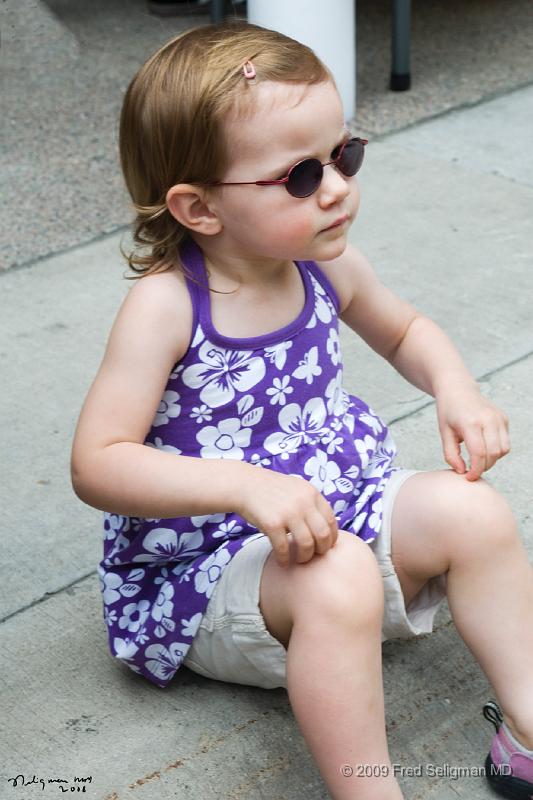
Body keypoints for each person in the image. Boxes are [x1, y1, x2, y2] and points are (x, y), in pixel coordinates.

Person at [70, 20, 533, 800]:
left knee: (472, 512)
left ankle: (526, 727)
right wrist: (242, 486)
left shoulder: (321, 262)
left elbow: (406, 329)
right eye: (298, 176)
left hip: (335, 509)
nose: (336, 186)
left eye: (343, 154)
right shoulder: (168, 307)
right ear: (200, 208)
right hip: (208, 570)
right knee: (336, 576)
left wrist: (454, 387)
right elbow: (98, 460)